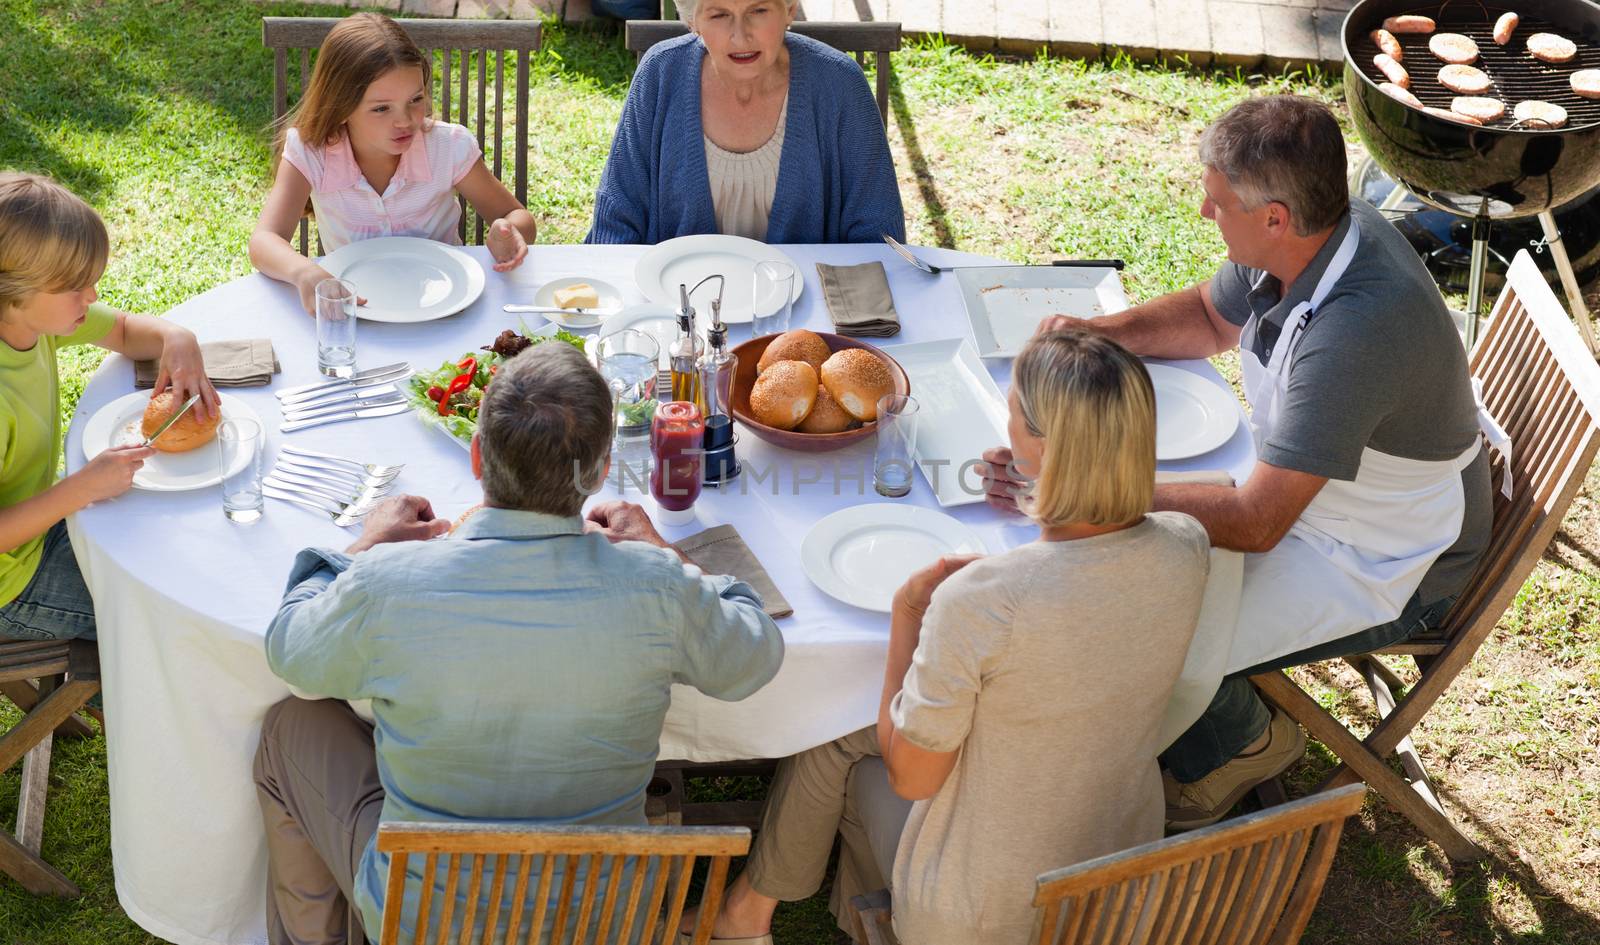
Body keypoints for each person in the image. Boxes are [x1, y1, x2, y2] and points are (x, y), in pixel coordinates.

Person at [985, 95, 1496, 829]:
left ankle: (1240, 742)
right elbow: (1206, 316)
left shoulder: (1355, 333)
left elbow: (1257, 523)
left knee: (1135, 611)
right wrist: (1097, 331)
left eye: (1216, 201)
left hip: (1389, 559)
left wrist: (1078, 487)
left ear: (1275, 217)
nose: (1203, 211)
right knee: (1124, 560)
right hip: (1319, 499)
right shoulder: (1308, 240)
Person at [252, 342, 785, 945]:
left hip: (430, 920)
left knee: (288, 728)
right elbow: (755, 654)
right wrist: (664, 552)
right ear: (601, 469)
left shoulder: (387, 584)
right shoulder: (656, 586)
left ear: (477, 457)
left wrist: (365, 546)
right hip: (603, 922)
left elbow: (289, 650)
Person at [689, 332, 1211, 945]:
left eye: (1011, 411)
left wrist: (911, 610)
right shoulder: (1186, 544)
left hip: (986, 908)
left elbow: (913, 780)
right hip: (1118, 879)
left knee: (835, 734)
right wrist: (1048, 498)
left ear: (1042, 446)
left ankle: (749, 917)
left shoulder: (985, 600)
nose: (1004, 424)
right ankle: (754, 913)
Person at [0, 172, 218, 645]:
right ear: (12, 292)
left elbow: (120, 330)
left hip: (43, 523)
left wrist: (174, 337)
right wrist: (78, 489)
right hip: (11, 585)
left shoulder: (31, 323)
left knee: (184, 548)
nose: (92, 296)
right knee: (172, 616)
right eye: (76, 286)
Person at [249, 12, 538, 314]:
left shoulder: (447, 147)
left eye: (415, 100)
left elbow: (515, 215)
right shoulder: (311, 150)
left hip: (444, 307)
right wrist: (304, 272)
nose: (404, 121)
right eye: (382, 108)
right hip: (356, 310)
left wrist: (509, 230)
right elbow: (264, 240)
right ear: (341, 107)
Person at [586, 0, 905, 245]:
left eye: (759, 9)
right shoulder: (659, 74)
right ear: (691, 20)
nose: (740, 35)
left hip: (808, 321)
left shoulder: (841, 84)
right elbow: (614, 227)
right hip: (679, 316)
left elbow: (880, 238)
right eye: (719, 14)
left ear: (790, 9)